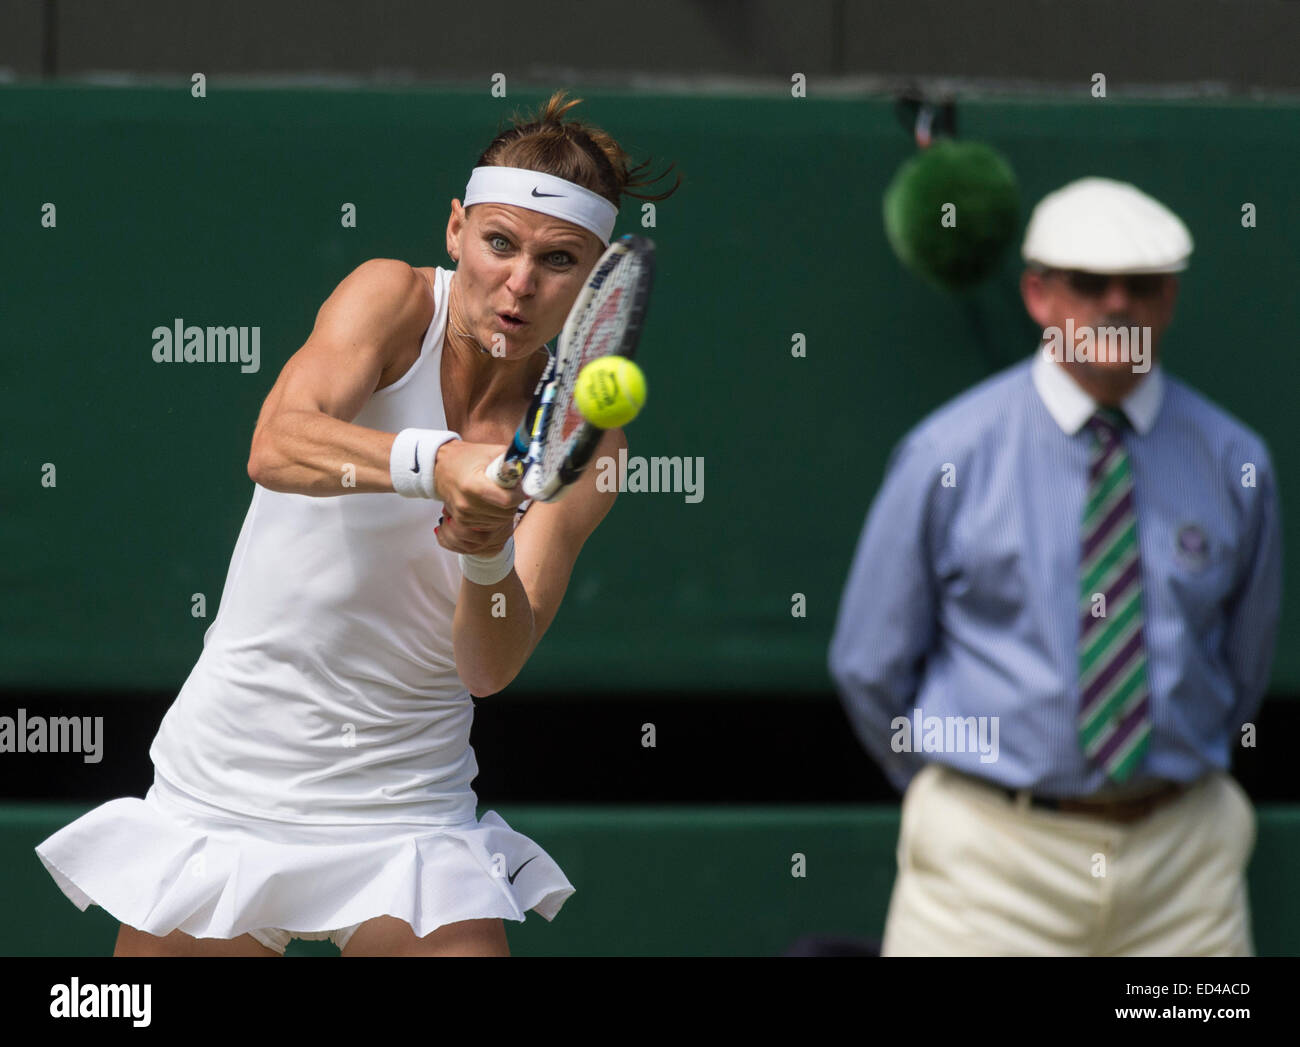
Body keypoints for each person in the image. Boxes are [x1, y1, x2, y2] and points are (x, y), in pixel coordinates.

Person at [35, 91, 679, 957]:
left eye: (559, 259)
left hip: (410, 808)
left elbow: (489, 669)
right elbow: (276, 445)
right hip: (230, 778)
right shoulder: (393, 298)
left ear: (594, 279)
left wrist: (486, 556)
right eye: (499, 243)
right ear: (456, 232)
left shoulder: (589, 444)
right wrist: (436, 463)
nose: (520, 283)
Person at [829, 176, 1281, 956]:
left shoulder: (1235, 461)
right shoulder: (949, 454)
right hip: (988, 863)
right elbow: (870, 662)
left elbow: (1245, 661)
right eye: (1088, 283)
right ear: (1037, 294)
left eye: (1141, 285)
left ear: (1170, 299)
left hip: (1184, 862)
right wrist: (974, 793)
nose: (1116, 304)